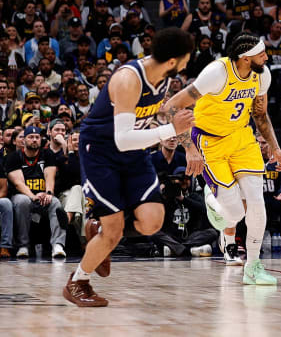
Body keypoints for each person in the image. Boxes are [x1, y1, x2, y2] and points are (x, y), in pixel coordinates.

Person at [64, 28, 195, 307]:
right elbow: (121, 140)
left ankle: (98, 226)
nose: (187, 64)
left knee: (152, 222)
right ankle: (79, 281)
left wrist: (187, 140)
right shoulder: (128, 79)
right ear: (172, 60)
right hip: (101, 152)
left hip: (134, 150)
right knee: (113, 233)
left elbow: (158, 112)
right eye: (185, 59)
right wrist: (171, 129)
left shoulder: (163, 77)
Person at [163, 34, 281, 285]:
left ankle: (253, 266)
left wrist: (275, 148)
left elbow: (261, 116)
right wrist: (189, 149)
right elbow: (173, 107)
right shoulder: (216, 73)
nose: (266, 57)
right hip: (209, 140)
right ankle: (212, 201)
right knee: (234, 213)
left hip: (242, 138)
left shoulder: (262, 74)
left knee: (256, 202)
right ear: (245, 58)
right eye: (261, 53)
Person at [7, 126, 66, 259]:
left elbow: (49, 177)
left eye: (37, 137)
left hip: (43, 195)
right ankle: (23, 245)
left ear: (40, 139)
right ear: (24, 140)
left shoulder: (47, 154)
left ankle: (58, 245)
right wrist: (33, 196)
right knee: (23, 202)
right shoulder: (14, 157)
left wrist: (49, 193)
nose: (34, 140)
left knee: (55, 202)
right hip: (23, 195)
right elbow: (18, 183)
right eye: (31, 137)